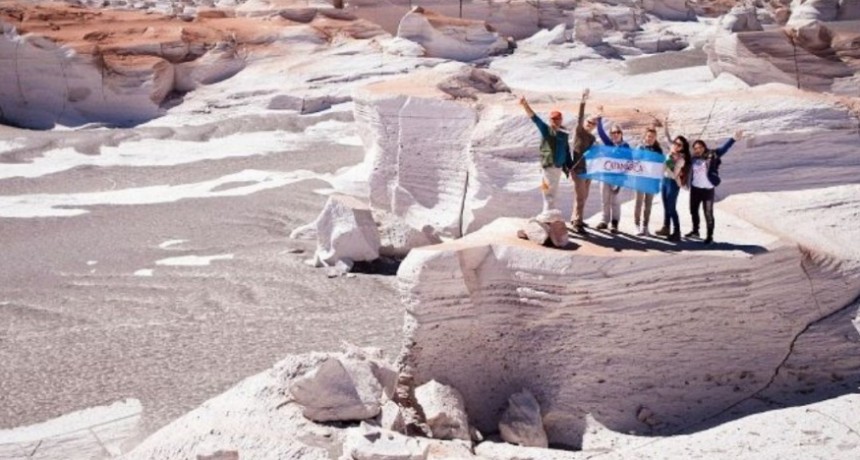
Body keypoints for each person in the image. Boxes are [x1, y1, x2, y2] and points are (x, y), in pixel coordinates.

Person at [687, 131, 743, 244]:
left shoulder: (712, 155)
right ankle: (695, 231)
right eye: (695, 148)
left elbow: (724, 149)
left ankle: (709, 236)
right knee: (693, 211)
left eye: (700, 147)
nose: (698, 150)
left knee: (708, 213)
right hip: (695, 189)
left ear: (704, 147)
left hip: (708, 190)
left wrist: (733, 138)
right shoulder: (693, 159)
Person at [519, 96, 571, 213]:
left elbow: (566, 150)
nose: (556, 121)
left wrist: (569, 166)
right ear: (550, 120)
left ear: (561, 120)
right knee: (547, 190)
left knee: (554, 191)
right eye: (553, 119)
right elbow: (535, 118)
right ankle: (547, 213)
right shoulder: (546, 130)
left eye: (558, 119)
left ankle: (549, 213)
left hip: (558, 166)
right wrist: (525, 105)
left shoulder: (564, 133)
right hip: (548, 165)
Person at [595, 107, 628, 233]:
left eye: (617, 133)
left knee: (615, 201)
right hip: (605, 176)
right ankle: (604, 220)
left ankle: (614, 222)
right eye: (613, 133)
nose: (615, 135)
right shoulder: (609, 144)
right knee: (604, 199)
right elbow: (601, 132)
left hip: (617, 178)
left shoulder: (625, 146)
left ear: (621, 134)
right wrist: (599, 118)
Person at [568, 89, 596, 234]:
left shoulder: (592, 138)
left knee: (584, 196)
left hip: (588, 171)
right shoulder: (579, 131)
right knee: (580, 196)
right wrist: (583, 101)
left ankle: (576, 218)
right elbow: (579, 117)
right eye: (589, 122)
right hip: (578, 170)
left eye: (593, 124)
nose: (590, 125)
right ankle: (576, 223)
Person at [655, 134, 690, 242]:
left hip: (673, 183)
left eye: (679, 145)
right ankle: (666, 227)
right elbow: (663, 168)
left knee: (671, 207)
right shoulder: (670, 154)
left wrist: (669, 160)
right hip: (665, 181)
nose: (676, 146)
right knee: (666, 205)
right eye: (675, 143)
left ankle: (677, 231)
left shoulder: (681, 159)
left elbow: (675, 174)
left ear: (683, 148)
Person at [633, 127, 663, 236]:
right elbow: (635, 161)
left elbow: (660, 165)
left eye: (653, 137)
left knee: (648, 204)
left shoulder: (658, 150)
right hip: (640, 179)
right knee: (639, 203)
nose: (650, 139)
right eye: (649, 136)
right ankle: (636, 226)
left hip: (651, 181)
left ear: (655, 138)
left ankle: (645, 227)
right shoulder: (640, 148)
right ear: (645, 136)